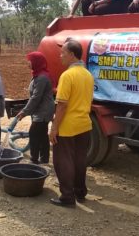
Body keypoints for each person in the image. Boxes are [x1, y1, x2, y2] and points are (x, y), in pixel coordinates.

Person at [49, 39, 94, 207]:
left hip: (68, 126)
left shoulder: (67, 75)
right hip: (85, 124)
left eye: (63, 53)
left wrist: (54, 128)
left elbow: (62, 105)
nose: (60, 56)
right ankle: (80, 192)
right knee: (80, 160)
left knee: (63, 161)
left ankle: (67, 197)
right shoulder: (88, 75)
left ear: (72, 55)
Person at [16, 52, 55, 164]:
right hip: (41, 109)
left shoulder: (42, 77)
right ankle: (44, 159)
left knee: (33, 133)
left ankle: (34, 159)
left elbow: (36, 98)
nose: (28, 63)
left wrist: (24, 112)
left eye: (30, 61)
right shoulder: (38, 75)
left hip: (43, 110)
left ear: (36, 62)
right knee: (42, 134)